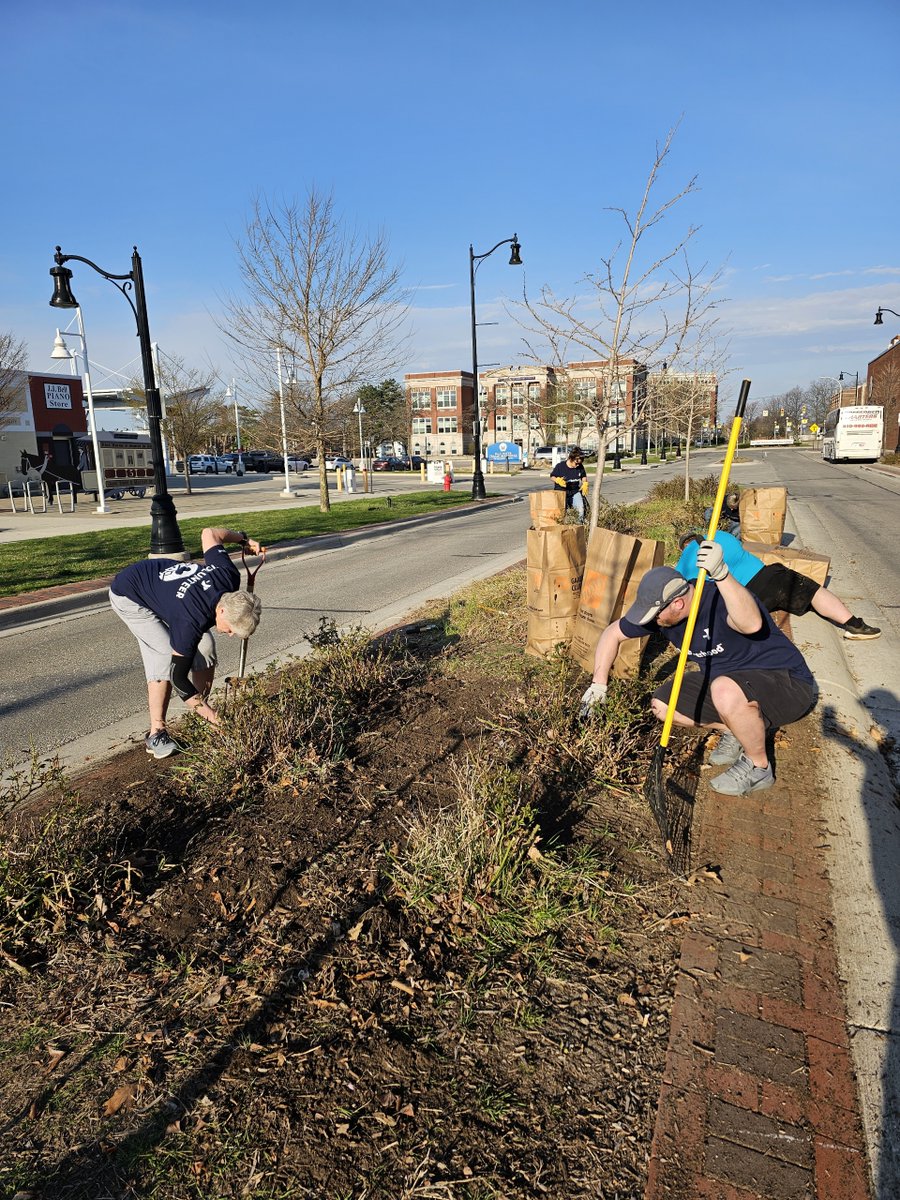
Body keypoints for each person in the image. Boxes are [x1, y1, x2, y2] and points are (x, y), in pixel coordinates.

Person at [579, 544, 817, 796]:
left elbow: (750, 624)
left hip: (787, 685)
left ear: (678, 603)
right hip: (729, 685)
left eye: (656, 615)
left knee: (724, 689)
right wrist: (598, 684)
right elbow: (612, 633)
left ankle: (759, 766)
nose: (652, 622)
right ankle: (740, 730)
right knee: (662, 706)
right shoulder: (664, 615)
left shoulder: (719, 599)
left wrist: (722, 574)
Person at [109, 526, 263, 758]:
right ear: (221, 610)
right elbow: (178, 678)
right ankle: (156, 733)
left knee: (206, 648)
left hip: (165, 589)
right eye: (231, 629)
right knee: (163, 656)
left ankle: (201, 715)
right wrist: (216, 718)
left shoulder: (228, 575)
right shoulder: (189, 621)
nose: (230, 635)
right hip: (130, 593)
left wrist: (243, 539)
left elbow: (209, 533)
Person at [676, 531, 880, 640]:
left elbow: (680, 588)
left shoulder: (684, 561)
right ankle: (856, 625)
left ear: (684, 545)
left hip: (742, 601)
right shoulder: (722, 536)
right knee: (814, 593)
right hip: (770, 578)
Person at [550, 445, 589, 521]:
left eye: (579, 463)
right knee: (561, 513)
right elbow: (552, 476)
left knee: (580, 511)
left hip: (574, 492)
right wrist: (558, 480)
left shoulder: (580, 467)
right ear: (571, 458)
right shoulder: (560, 466)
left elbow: (583, 476)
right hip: (561, 492)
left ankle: (578, 526)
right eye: (576, 463)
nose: (577, 465)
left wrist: (585, 483)